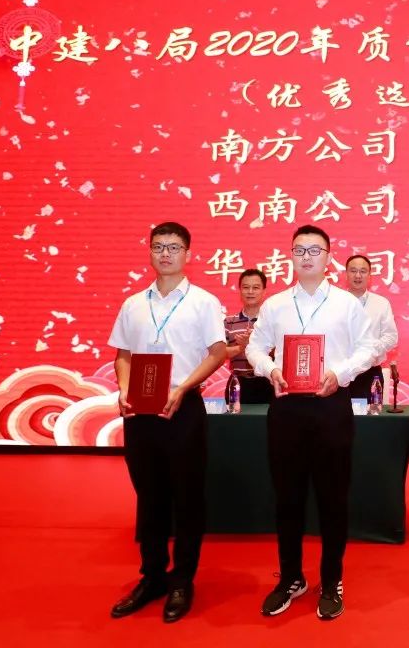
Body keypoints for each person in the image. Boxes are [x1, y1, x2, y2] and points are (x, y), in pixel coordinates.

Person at [246, 224, 377, 621]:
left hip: (330, 407)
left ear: (328, 257)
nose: (306, 257)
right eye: (299, 250)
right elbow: (254, 346)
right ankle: (291, 577)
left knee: (333, 498)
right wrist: (270, 369)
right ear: (290, 256)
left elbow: (369, 348)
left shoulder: (346, 304)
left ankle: (332, 579)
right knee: (287, 497)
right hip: (286, 408)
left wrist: (340, 372)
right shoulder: (275, 305)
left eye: (314, 250)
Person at [107, 221, 228, 623]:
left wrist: (184, 387)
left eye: (174, 247)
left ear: (187, 254)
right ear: (150, 251)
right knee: (150, 496)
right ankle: (153, 576)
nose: (165, 254)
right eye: (158, 246)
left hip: (182, 408)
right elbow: (123, 355)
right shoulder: (133, 304)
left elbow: (217, 353)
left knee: (187, 497)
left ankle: (182, 580)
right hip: (140, 412)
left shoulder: (203, 302)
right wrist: (124, 389)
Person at [343, 254, 399, 402]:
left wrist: (369, 351)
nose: (358, 275)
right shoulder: (335, 302)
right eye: (353, 271)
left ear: (369, 275)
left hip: (370, 374)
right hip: (340, 373)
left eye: (363, 271)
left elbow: (391, 337)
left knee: (370, 415)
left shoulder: (381, 303)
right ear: (346, 274)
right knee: (338, 414)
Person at [223, 268, 273, 404]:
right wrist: (242, 347)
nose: (250, 291)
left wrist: (255, 346)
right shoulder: (228, 321)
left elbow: (282, 352)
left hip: (268, 382)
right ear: (240, 290)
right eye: (246, 287)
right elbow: (219, 353)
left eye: (255, 287)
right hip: (238, 383)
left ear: (264, 291)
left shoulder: (271, 321)